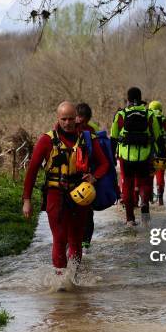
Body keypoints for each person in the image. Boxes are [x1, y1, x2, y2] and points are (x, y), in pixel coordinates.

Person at [22, 101, 110, 274]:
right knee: (60, 239)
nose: (68, 123)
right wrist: (26, 200)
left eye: (71, 119)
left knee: (76, 240)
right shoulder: (46, 140)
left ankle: (74, 277)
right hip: (55, 194)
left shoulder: (87, 138)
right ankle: (61, 280)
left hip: (81, 194)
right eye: (64, 119)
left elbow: (104, 164)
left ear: (76, 118)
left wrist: (94, 177)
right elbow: (31, 171)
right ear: (58, 118)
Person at [110, 87, 161, 226]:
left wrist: (112, 156)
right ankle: (144, 205)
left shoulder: (121, 114)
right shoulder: (149, 114)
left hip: (126, 157)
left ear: (128, 99)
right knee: (144, 182)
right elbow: (157, 135)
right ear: (140, 97)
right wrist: (160, 153)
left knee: (127, 184)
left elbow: (114, 136)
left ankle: (130, 219)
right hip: (144, 155)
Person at [76, 102, 98, 251]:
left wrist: (95, 176)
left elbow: (99, 157)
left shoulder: (91, 131)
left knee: (87, 210)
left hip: (86, 176)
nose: (79, 124)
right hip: (72, 176)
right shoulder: (64, 130)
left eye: (83, 121)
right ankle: (76, 241)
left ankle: (85, 242)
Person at [148, 100, 166, 205]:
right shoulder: (164, 119)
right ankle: (160, 199)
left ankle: (149, 197)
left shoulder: (147, 117)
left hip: (148, 151)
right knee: (160, 174)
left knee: (149, 175)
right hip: (161, 151)